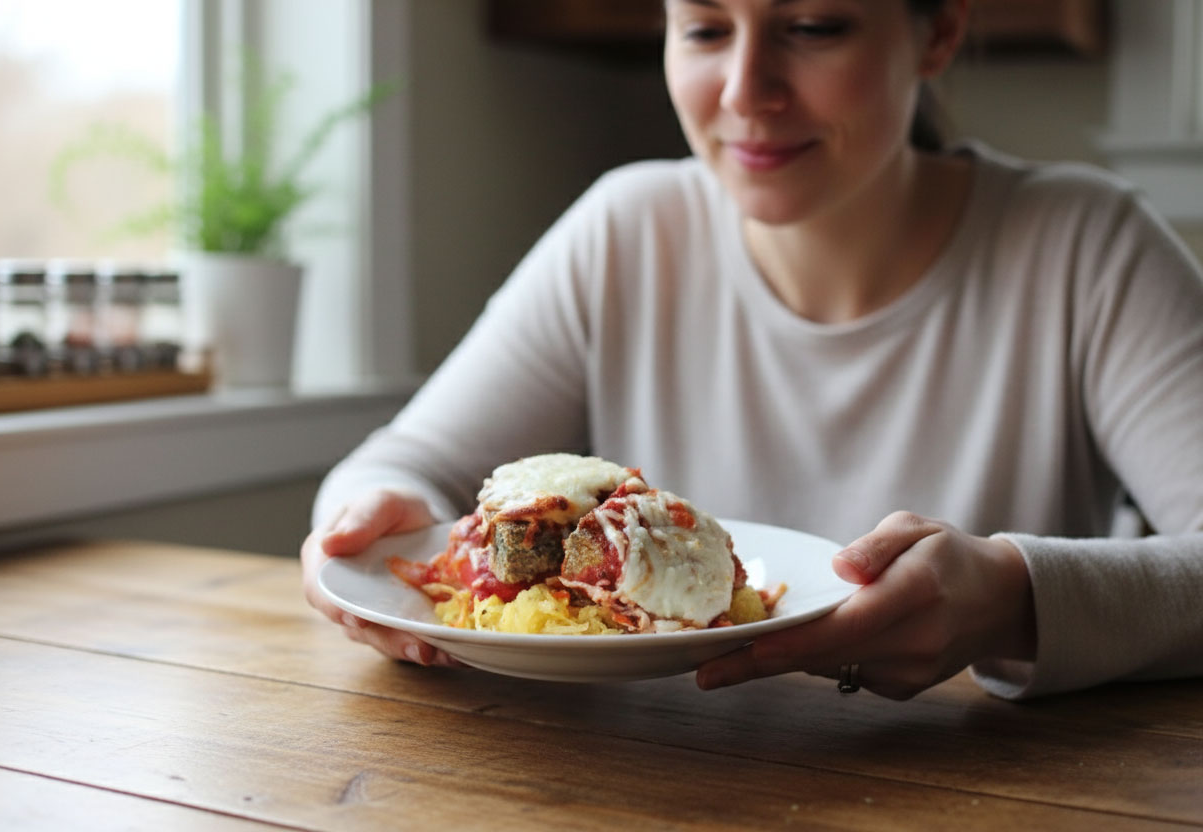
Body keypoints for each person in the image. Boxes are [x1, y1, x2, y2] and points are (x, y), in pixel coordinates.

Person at [301, 0, 1203, 701]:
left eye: (812, 26)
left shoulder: (1089, 245)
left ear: (939, 34)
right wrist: (368, 525)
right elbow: (405, 466)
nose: (744, 90)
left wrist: (1016, 596)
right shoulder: (625, 230)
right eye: (702, 28)